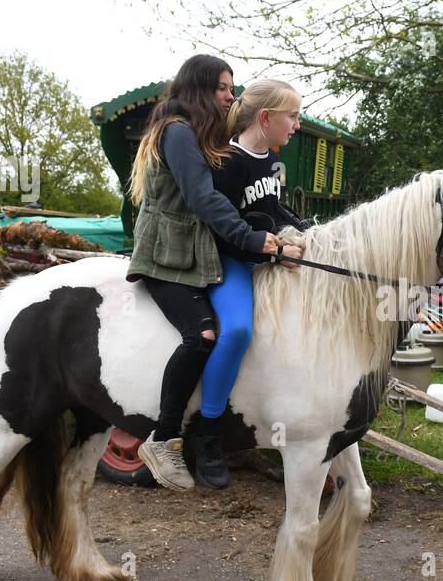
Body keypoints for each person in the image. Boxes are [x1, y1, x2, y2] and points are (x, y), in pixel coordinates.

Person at [126, 57, 302, 490]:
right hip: (172, 257)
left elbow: (270, 208)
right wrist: (250, 239)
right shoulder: (181, 135)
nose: (229, 97)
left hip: (207, 252)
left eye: (232, 88)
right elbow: (206, 200)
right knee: (210, 334)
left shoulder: (207, 140)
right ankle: (174, 435)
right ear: (200, 89)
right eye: (223, 88)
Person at [192, 79, 310, 489]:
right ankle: (207, 433)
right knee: (239, 329)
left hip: (263, 257)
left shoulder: (269, 161)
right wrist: (273, 253)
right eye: (292, 116)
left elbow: (270, 210)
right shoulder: (227, 162)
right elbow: (223, 230)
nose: (297, 124)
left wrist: (300, 232)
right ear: (266, 118)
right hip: (230, 261)